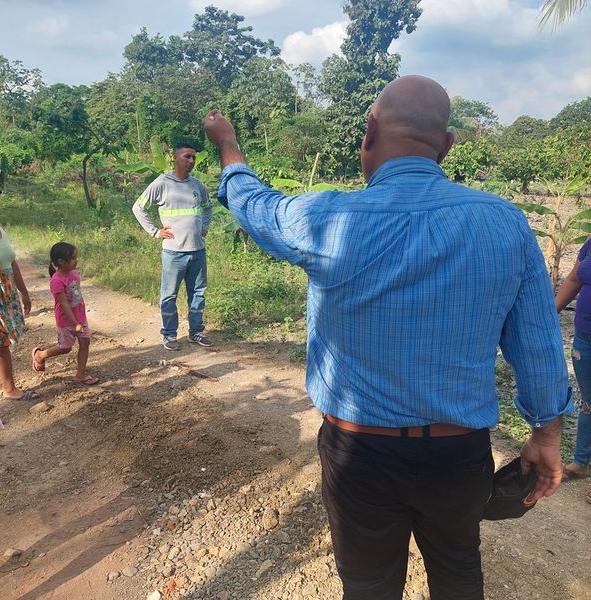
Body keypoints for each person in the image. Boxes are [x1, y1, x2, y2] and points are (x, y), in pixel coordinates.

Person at [204, 75, 572, 600]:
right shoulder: (505, 224)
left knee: (369, 585)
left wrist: (228, 145)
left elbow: (254, 204)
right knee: (459, 570)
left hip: (359, 454)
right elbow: (537, 345)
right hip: (458, 455)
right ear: (446, 146)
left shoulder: (324, 218)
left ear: (369, 131)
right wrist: (546, 434)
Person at [132, 143, 213, 351]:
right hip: (174, 252)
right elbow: (138, 207)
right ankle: (169, 334)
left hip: (198, 250)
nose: (191, 161)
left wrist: (204, 226)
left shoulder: (197, 185)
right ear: (174, 158)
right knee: (169, 295)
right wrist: (155, 232)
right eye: (187, 156)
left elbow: (208, 207)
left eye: (193, 157)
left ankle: (196, 332)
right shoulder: (162, 183)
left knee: (198, 293)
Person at [0, 186, 37, 405]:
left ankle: (9, 388)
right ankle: (9, 389)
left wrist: (24, 293)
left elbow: (12, 262)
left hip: (6, 295)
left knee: (1, 342)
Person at [31, 242, 99, 385]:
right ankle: (40, 355)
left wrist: (80, 319)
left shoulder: (75, 274)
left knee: (85, 342)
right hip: (66, 321)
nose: (76, 261)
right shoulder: (56, 281)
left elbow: (76, 296)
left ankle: (80, 374)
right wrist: (74, 323)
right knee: (65, 348)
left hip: (80, 317)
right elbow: (64, 303)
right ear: (61, 262)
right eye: (73, 258)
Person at [555, 239, 591, 503]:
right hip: (584, 336)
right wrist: (548, 315)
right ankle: (580, 462)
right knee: (588, 402)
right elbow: (574, 279)